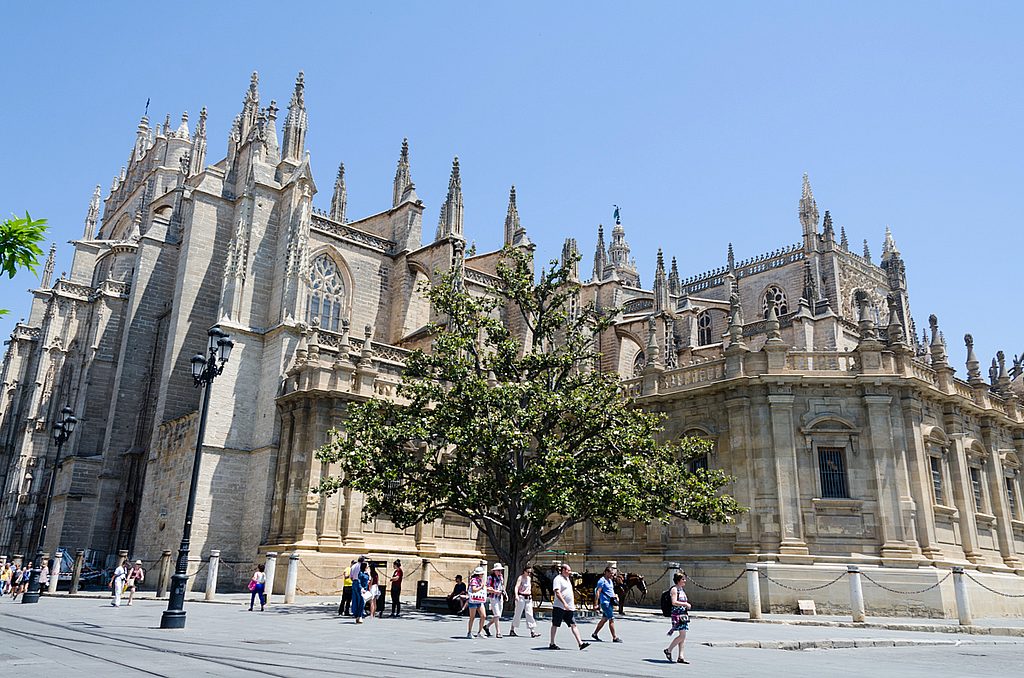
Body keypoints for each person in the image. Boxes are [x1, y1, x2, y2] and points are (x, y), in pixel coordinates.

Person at [549, 563, 589, 651]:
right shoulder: (558, 579)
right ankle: (552, 643)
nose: (570, 572)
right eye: (568, 570)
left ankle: (580, 643)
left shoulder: (567, 579)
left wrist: (570, 605)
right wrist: (564, 603)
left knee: (573, 624)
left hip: (569, 607)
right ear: (563, 570)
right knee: (555, 624)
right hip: (559, 606)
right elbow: (557, 592)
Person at [663, 572, 691, 664]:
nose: (685, 581)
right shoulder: (674, 590)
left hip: (683, 614)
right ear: (678, 580)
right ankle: (669, 650)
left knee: (683, 636)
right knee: (682, 635)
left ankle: (681, 656)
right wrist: (685, 604)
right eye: (683, 579)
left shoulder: (681, 589)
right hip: (677, 615)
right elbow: (674, 602)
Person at [591, 566, 622, 642]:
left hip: (610, 602)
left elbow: (610, 590)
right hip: (605, 603)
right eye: (610, 573)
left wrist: (615, 596)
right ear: (606, 572)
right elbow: (598, 592)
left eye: (612, 574)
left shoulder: (610, 580)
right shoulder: (602, 581)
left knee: (604, 619)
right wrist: (596, 604)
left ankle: (595, 634)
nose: (612, 575)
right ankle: (614, 637)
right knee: (611, 619)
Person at [509, 565, 540, 638]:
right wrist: (516, 595)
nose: (529, 573)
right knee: (518, 613)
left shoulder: (529, 578)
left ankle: (532, 631)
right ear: (524, 571)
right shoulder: (520, 578)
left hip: (528, 598)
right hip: (521, 597)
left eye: (530, 572)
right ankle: (512, 629)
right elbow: (516, 587)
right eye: (528, 572)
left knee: (529, 614)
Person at [483, 563, 507, 638]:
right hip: (493, 597)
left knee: (498, 615)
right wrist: (495, 591)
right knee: (496, 614)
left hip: (500, 597)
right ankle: (498, 632)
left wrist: (505, 594)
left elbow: (502, 586)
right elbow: (487, 588)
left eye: (500, 570)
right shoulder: (490, 578)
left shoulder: (501, 577)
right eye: (498, 570)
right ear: (494, 571)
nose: (500, 572)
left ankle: (487, 626)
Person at [466, 566, 487, 638]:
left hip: (479, 600)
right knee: (472, 617)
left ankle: (480, 632)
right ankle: (469, 632)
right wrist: (481, 587)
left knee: (483, 615)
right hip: (473, 600)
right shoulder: (474, 580)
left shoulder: (480, 580)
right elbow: (474, 589)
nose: (483, 575)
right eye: (482, 574)